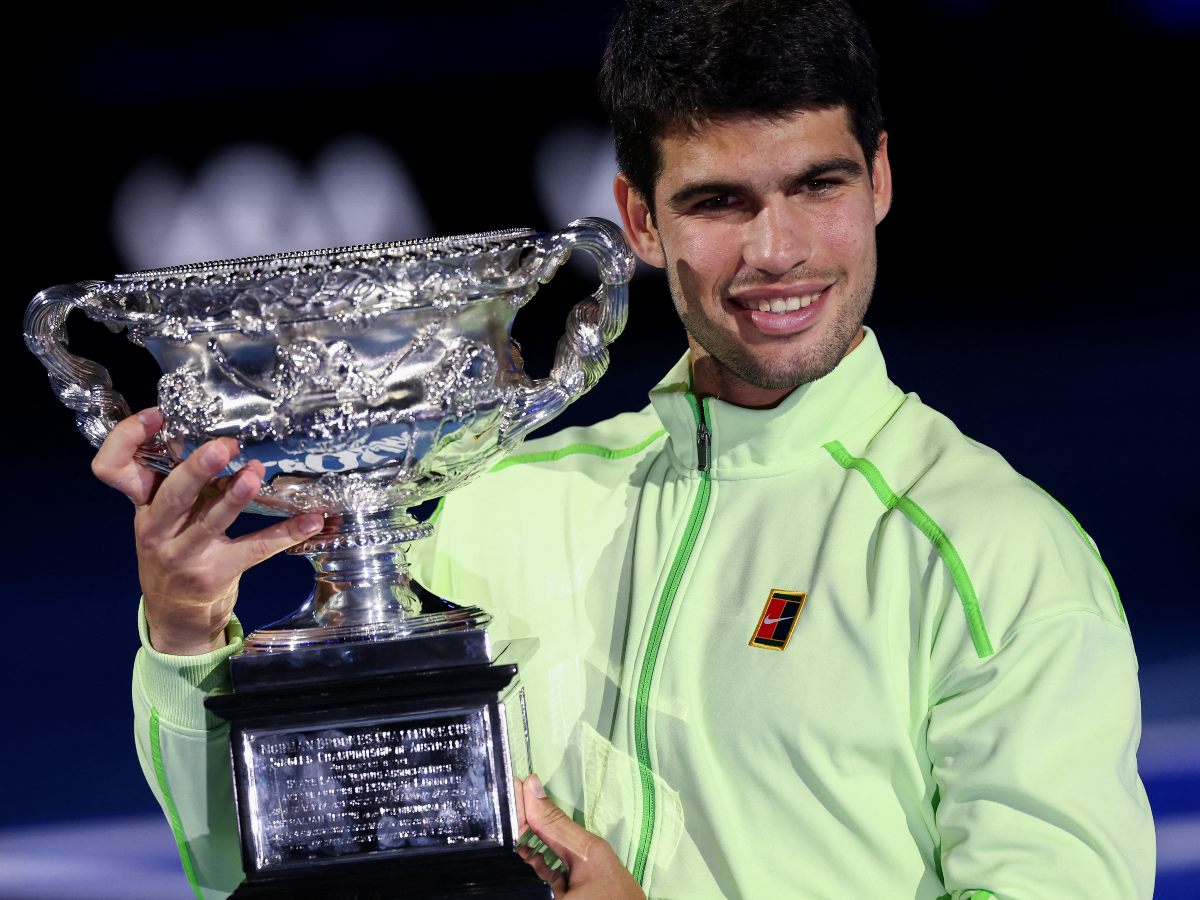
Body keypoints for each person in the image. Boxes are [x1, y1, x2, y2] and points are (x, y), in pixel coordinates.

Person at [93, 1, 1155, 897]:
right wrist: (188, 632)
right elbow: (257, 869)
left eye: (817, 186)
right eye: (717, 202)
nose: (776, 250)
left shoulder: (993, 550)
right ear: (638, 222)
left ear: (879, 179)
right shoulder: (497, 507)